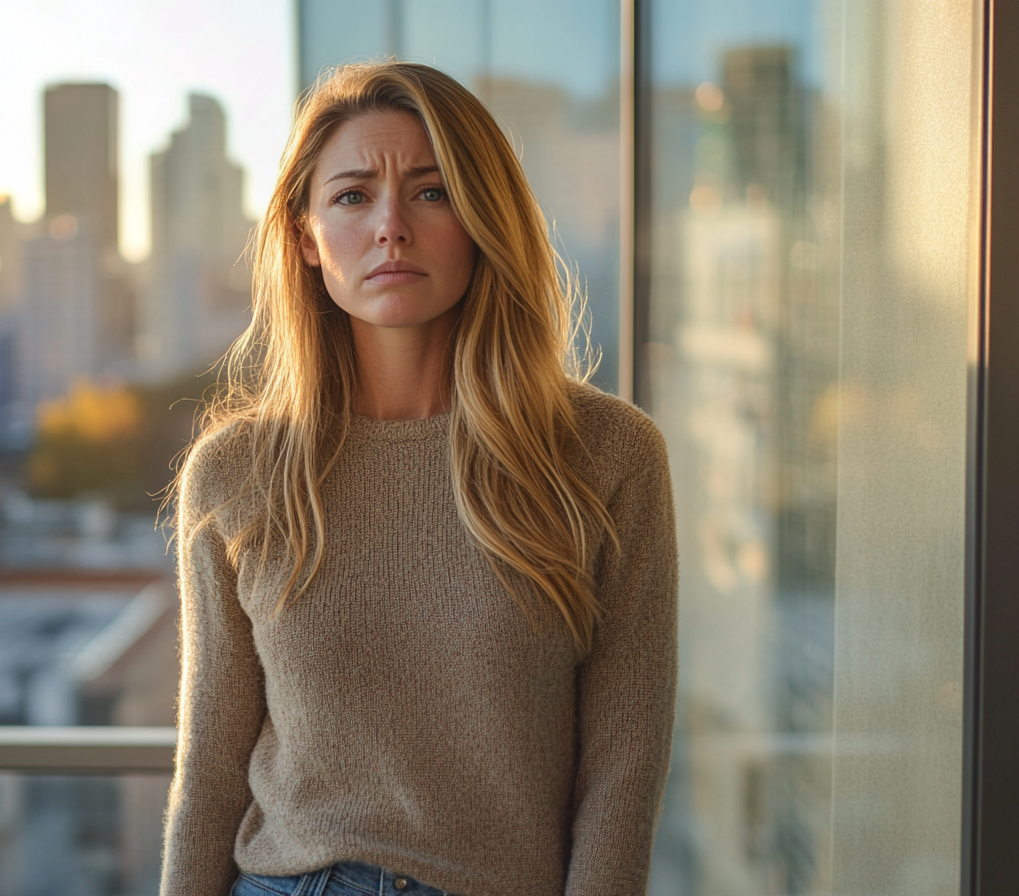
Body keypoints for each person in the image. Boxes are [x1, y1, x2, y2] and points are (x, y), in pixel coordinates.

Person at [161, 61, 677, 896]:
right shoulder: (235, 476)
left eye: (432, 192)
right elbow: (210, 771)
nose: (391, 226)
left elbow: (625, 768)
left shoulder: (606, 455)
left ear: (482, 219)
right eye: (354, 195)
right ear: (304, 236)